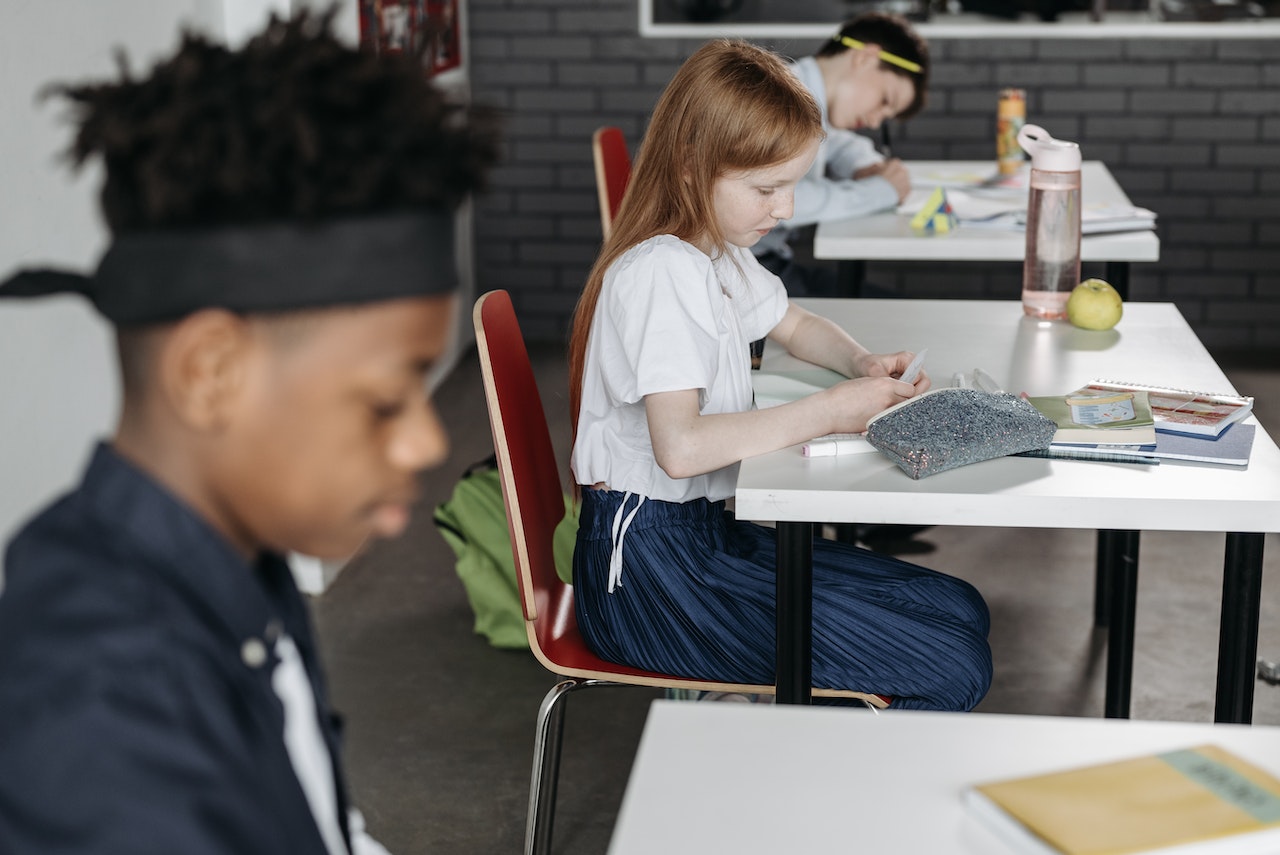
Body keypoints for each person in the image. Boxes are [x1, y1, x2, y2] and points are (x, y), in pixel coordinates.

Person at [0, 11, 497, 854]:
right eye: (385, 400)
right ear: (211, 373)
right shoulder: (101, 720)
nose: (425, 443)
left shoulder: (235, 562)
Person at [566, 39, 991, 712]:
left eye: (791, 184)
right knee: (954, 662)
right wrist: (835, 408)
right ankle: (819, 802)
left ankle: (811, 758)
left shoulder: (717, 253)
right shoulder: (662, 272)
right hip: (650, 575)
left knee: (959, 605)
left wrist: (857, 362)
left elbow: (792, 324)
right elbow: (680, 448)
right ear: (688, 168)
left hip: (704, 537)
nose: (786, 210)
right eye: (767, 189)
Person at [752, 12, 930, 298]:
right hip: (741, 276)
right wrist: (879, 191)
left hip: (769, 265)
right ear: (865, 57)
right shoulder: (778, 101)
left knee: (892, 309)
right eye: (885, 101)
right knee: (894, 314)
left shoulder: (802, 94)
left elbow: (834, 142)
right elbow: (774, 199)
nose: (874, 122)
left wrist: (866, 165)